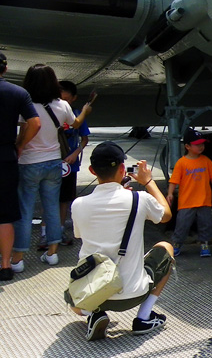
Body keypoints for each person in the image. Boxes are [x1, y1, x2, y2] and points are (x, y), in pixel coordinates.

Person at [69, 142, 174, 341]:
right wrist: (149, 182)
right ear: (122, 169)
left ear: (92, 171)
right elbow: (166, 215)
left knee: (72, 299)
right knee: (166, 248)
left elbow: (81, 235)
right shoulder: (138, 199)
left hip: (95, 292)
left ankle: (94, 314)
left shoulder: (78, 204)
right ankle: (144, 317)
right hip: (133, 293)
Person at [12, 64, 90, 270]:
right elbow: (75, 124)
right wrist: (84, 111)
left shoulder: (25, 104)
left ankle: (18, 258)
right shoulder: (61, 105)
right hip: (54, 161)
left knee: (25, 210)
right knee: (52, 208)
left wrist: (19, 145)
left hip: (28, 161)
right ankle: (52, 253)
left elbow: (22, 132)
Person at [0, 53, 39, 281]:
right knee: (5, 214)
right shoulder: (18, 92)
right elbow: (35, 122)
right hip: (5, 155)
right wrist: (20, 145)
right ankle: (5, 265)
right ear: (5, 69)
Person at [167, 129, 212, 257]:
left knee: (206, 224)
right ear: (187, 146)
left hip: (204, 200)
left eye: (202, 144)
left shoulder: (206, 160)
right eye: (197, 144)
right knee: (182, 224)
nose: (201, 146)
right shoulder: (181, 163)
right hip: (187, 201)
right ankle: (176, 244)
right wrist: (170, 193)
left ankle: (205, 244)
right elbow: (174, 180)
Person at [56, 80, 93, 246]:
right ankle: (47, 231)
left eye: (67, 99)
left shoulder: (78, 114)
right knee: (49, 198)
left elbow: (84, 139)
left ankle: (60, 229)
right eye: (60, 98)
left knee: (64, 199)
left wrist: (75, 153)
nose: (63, 102)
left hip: (70, 164)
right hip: (52, 162)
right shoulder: (54, 113)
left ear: (74, 98)